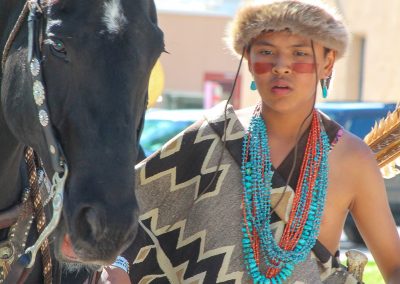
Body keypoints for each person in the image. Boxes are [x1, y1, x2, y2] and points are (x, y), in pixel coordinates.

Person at [96, 0, 400, 283]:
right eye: (266, 52)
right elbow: (126, 213)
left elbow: (394, 264)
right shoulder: (213, 134)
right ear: (248, 59)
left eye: (300, 53)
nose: (282, 66)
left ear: (328, 62)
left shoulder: (352, 158)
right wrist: (119, 268)